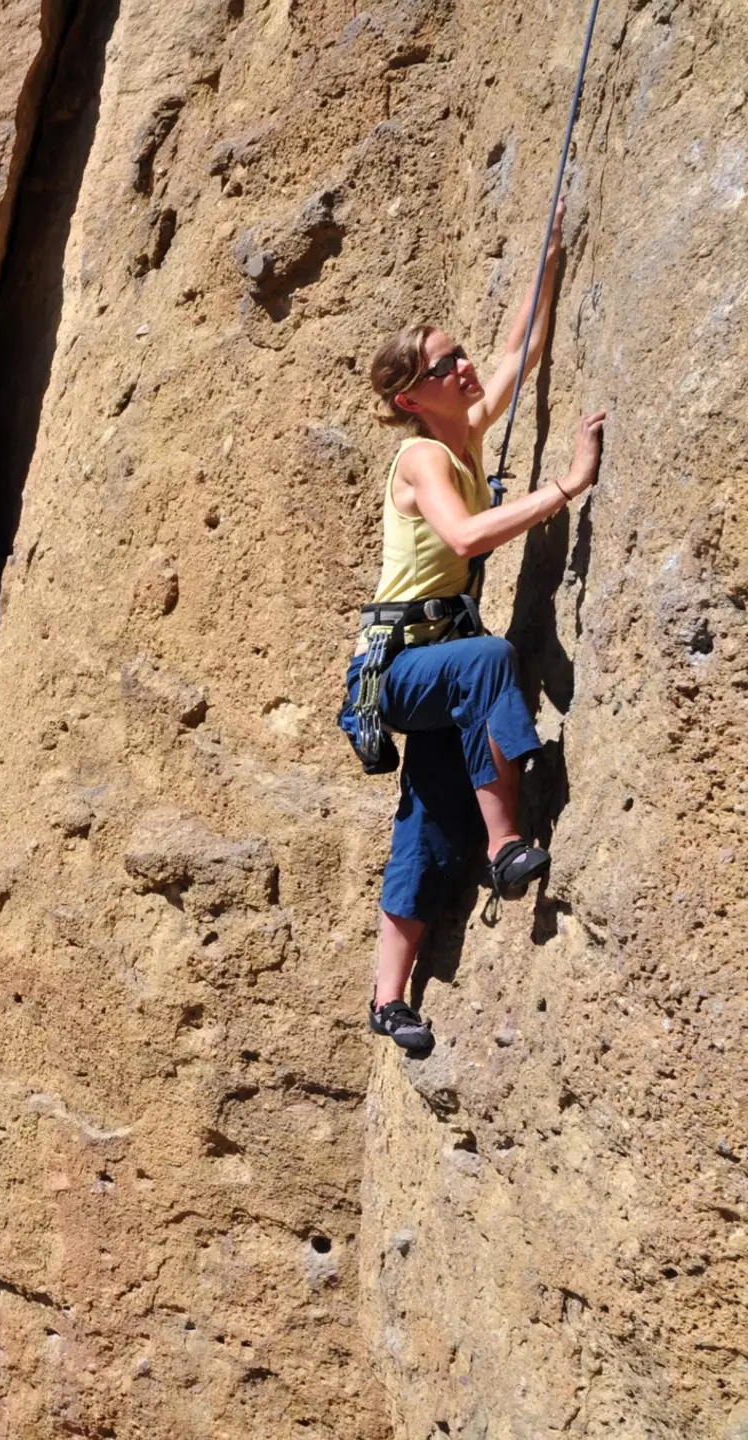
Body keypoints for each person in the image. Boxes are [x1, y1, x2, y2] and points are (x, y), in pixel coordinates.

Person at [343, 202, 606, 1050]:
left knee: (429, 810)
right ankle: (507, 845)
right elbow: (463, 537)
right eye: (442, 362)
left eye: (456, 354)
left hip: (434, 671)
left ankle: (388, 1000)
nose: (462, 367)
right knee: (490, 657)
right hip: (398, 670)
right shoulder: (422, 456)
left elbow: (515, 354)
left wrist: (551, 257)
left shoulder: (461, 432)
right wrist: (565, 487)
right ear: (410, 396)